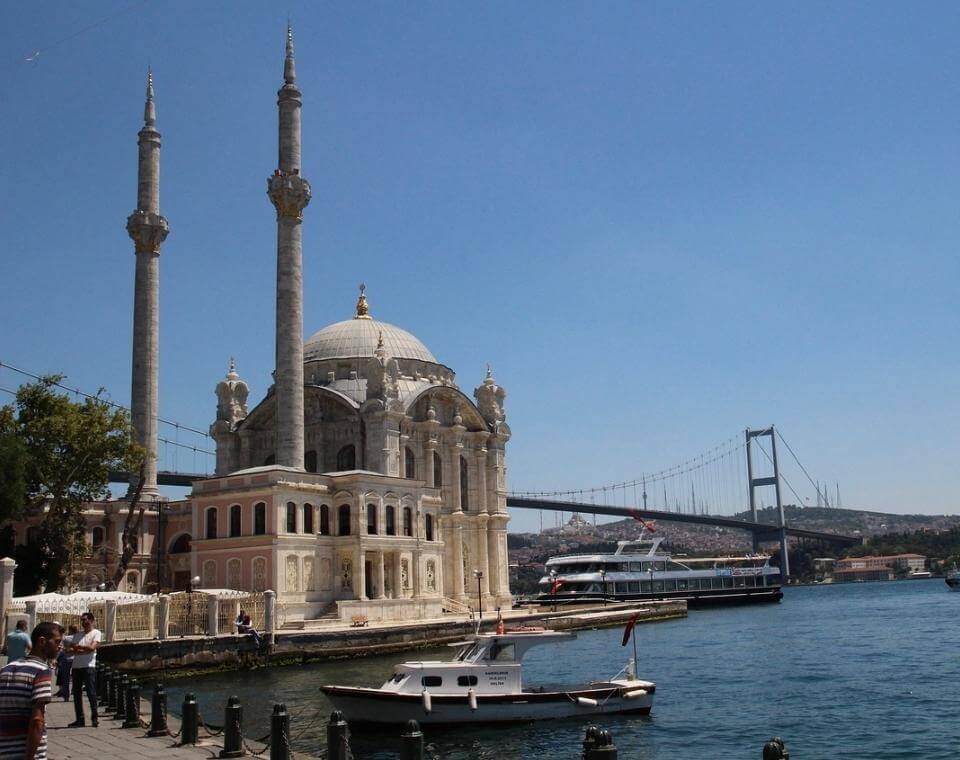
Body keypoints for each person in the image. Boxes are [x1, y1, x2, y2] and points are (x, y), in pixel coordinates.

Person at [0, 621, 62, 760]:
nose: (60, 647)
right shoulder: (41, 672)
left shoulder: (5, 670)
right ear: (42, 641)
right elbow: (37, 721)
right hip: (26, 751)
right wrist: (29, 757)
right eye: (57, 642)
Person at [67, 612, 100, 728]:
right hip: (76, 667)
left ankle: (95, 718)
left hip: (88, 666)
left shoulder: (96, 633)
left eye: (85, 620)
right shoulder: (78, 635)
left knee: (91, 693)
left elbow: (92, 648)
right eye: (82, 620)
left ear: (91, 620)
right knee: (76, 694)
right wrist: (84, 649)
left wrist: (79, 648)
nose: (83, 622)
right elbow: (71, 650)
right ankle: (79, 719)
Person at [54, 625, 78, 701]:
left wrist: (56, 659)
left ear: (70, 630)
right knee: (76, 678)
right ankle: (76, 694)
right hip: (76, 659)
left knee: (66, 678)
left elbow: (61, 649)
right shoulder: (78, 638)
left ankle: (66, 696)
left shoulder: (66, 639)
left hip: (66, 659)